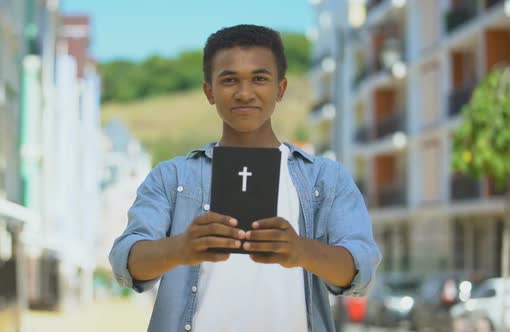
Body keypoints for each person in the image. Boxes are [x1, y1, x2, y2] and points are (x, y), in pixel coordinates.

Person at [109, 24, 382, 332]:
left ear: (280, 88)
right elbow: (125, 261)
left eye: (259, 78)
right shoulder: (171, 177)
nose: (244, 92)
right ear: (209, 91)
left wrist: (302, 250)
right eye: (229, 80)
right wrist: (180, 248)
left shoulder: (326, 179)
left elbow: (361, 271)